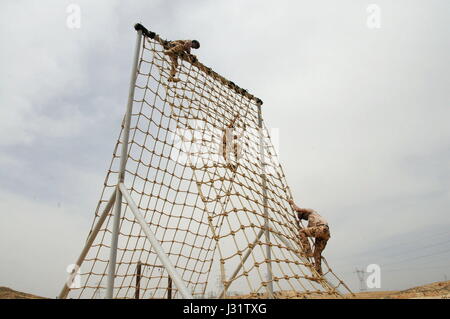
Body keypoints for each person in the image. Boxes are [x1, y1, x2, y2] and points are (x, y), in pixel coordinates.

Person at [288, 199, 330, 275]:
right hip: (326, 233)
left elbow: (298, 209)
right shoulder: (314, 219)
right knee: (317, 253)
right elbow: (308, 231)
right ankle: (318, 272)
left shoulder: (311, 211)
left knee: (301, 232)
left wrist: (292, 203)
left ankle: (307, 251)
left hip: (320, 229)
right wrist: (298, 223)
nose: (305, 218)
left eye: (303, 216)